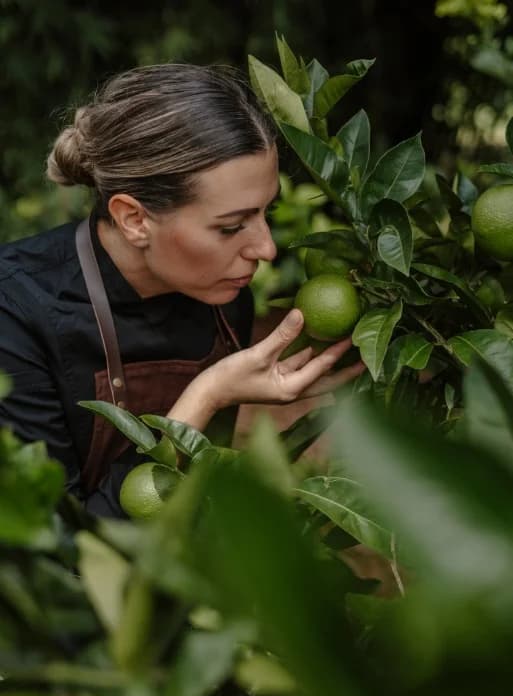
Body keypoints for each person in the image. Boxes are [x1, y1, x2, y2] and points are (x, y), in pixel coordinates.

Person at [0, 63, 365, 517]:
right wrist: (208, 395)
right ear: (134, 219)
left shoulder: (226, 299)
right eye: (232, 226)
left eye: (265, 212)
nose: (266, 248)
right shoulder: (15, 314)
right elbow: (60, 556)